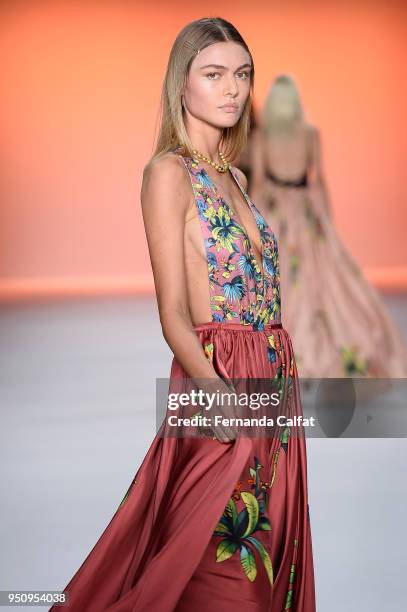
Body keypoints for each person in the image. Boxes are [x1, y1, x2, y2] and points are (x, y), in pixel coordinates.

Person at [49, 20, 316, 611]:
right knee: (216, 562)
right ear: (182, 85)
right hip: (215, 377)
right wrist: (213, 393)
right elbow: (172, 311)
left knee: (263, 560)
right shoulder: (167, 175)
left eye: (242, 75)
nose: (233, 90)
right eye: (214, 74)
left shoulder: (238, 179)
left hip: (272, 384)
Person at [249, 73, 407, 379]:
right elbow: (319, 179)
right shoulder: (310, 134)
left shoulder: (262, 138)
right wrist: (327, 222)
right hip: (307, 213)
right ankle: (323, 351)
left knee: (282, 283)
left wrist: (254, 228)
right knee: (319, 281)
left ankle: (280, 356)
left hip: (278, 214)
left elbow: (257, 184)